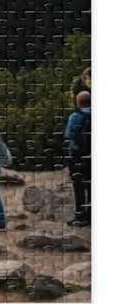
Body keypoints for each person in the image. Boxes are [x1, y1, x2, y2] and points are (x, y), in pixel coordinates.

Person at [65, 90, 91, 226]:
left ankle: (80, 216)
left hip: (78, 157)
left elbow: (69, 134)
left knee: (79, 187)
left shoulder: (76, 116)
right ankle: (91, 216)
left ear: (79, 102)